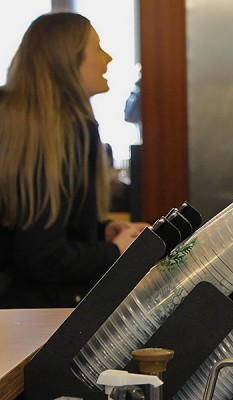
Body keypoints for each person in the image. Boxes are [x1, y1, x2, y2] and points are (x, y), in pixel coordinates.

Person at [0, 13, 148, 308]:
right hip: (29, 319)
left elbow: (39, 228)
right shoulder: (61, 133)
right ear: (68, 59)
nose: (107, 58)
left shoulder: (27, 127)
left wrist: (102, 231)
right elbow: (42, 257)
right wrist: (114, 251)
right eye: (98, 48)